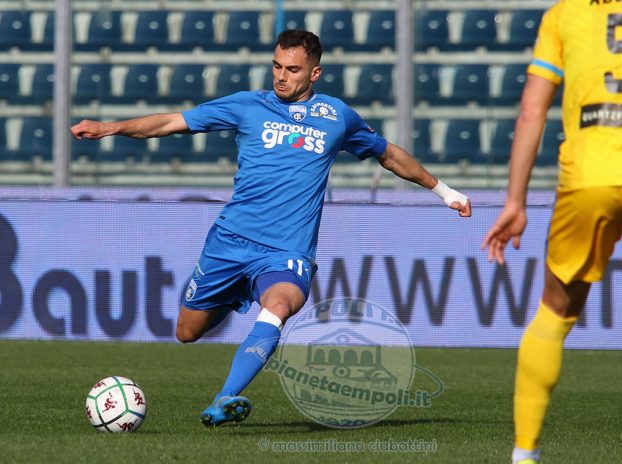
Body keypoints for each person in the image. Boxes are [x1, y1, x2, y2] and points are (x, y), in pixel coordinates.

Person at [71, 29, 472, 428]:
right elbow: (170, 122)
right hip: (230, 242)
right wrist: (110, 128)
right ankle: (235, 293)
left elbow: (389, 155)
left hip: (286, 252)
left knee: (278, 306)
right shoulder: (247, 105)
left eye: (292, 69)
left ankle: (225, 398)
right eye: (277, 66)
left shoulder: (336, 116)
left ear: (314, 73)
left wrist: (444, 191)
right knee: (187, 331)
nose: (281, 76)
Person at [482, 1, 622, 463]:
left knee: (553, 312)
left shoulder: (564, 15)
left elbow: (531, 111)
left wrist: (515, 201)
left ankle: (524, 453)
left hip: (586, 178)